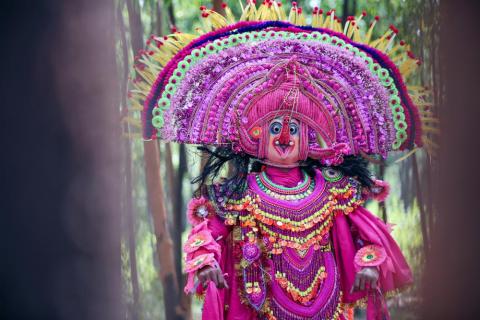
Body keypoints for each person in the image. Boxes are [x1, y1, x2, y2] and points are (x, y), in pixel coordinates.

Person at [131, 2, 427, 319]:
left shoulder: (333, 191)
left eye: (293, 129)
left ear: (309, 140)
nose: (283, 137)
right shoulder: (238, 194)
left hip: (330, 307)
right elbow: (207, 234)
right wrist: (206, 262)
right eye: (274, 128)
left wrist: (369, 264)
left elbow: (368, 238)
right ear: (256, 138)